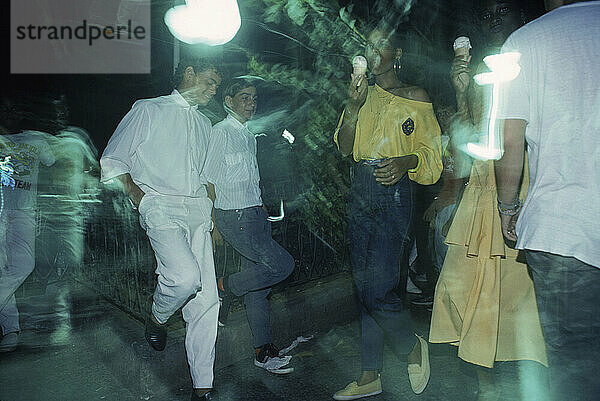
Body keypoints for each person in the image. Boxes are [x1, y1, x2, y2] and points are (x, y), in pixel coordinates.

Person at [429, 1, 548, 399]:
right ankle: (487, 388)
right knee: (473, 287)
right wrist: (463, 95)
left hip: (527, 182)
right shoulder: (481, 69)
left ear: (523, 16)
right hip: (483, 189)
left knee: (524, 292)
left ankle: (541, 383)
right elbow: (467, 143)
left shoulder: (537, 56)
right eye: (487, 15)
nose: (494, 20)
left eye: (503, 10)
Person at [100, 57, 222, 401]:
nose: (213, 91)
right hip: (160, 206)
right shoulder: (148, 110)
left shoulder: (205, 125)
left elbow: (204, 176)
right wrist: (140, 198)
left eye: (216, 86)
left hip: (198, 210)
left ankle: (203, 387)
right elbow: (113, 158)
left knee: (207, 299)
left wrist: (212, 221)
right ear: (189, 74)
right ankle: (157, 316)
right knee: (184, 278)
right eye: (209, 81)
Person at [495, 1, 600, 398]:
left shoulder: (524, 42)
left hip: (563, 230)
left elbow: (510, 140)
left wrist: (508, 207)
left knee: (575, 366)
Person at [332, 23, 443, 400]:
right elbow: (345, 148)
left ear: (397, 55)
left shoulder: (416, 96)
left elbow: (432, 158)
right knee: (364, 285)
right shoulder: (361, 97)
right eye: (369, 45)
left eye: (382, 45)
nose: (373, 50)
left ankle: (410, 346)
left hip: (395, 193)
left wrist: (407, 159)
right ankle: (369, 374)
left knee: (378, 288)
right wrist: (351, 105)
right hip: (360, 191)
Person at [204, 78, 295, 374]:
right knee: (282, 264)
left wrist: (261, 207)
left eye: (254, 99)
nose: (251, 104)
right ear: (228, 101)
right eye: (244, 98)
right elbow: (208, 182)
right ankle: (225, 287)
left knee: (258, 289)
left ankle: (263, 351)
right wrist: (214, 224)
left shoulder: (247, 134)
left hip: (255, 215)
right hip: (235, 218)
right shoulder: (220, 133)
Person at [0, 99, 56, 352]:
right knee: (3, 270)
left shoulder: (36, 140)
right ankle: (10, 329)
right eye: (7, 109)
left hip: (24, 211)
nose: (12, 113)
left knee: (23, 265)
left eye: (15, 108)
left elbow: (52, 162)